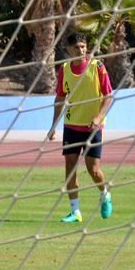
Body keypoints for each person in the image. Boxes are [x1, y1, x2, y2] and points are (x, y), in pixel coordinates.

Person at [49, 32, 113, 223]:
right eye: (77, 47)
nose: (81, 50)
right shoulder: (64, 69)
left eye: (83, 46)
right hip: (71, 125)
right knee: (70, 166)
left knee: (93, 169)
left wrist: (99, 117)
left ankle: (105, 194)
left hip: (93, 127)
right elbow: (60, 98)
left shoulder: (97, 66)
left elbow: (108, 96)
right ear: (69, 50)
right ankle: (75, 212)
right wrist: (53, 126)